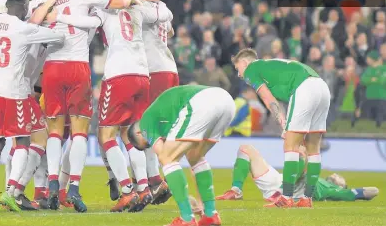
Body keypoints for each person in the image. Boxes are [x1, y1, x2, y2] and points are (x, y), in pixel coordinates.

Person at [50, 0, 172, 212]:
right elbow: (163, 13)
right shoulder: (138, 9)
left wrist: (59, 16)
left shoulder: (102, 10)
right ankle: (145, 186)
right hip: (142, 76)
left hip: (118, 76)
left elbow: (90, 23)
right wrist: (144, 0)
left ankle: (127, 190)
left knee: (106, 135)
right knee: (130, 134)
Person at [28, 0, 136, 212]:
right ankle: (73, 186)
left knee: (54, 131)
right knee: (79, 131)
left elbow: (33, 21)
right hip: (77, 67)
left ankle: (52, 183)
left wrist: (54, 4)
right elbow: (120, 2)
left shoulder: (44, 1)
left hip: (52, 69)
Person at [0, 0, 66, 212]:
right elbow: (60, 37)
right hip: (13, 91)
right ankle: (11, 192)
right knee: (23, 140)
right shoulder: (25, 29)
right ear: (25, 8)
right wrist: (52, 22)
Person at [232, 48, 330, 208]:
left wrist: (282, 120)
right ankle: (307, 199)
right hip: (321, 87)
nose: (239, 74)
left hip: (304, 88)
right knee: (314, 148)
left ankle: (286, 198)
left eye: (238, 69)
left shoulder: (251, 69)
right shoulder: (271, 66)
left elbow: (267, 97)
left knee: (291, 145)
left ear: (244, 62)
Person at [127, 85, 235, 226]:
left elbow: (164, 155)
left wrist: (182, 197)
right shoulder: (164, 116)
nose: (150, 144)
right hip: (225, 101)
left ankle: (186, 219)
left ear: (139, 133)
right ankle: (210, 214)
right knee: (195, 156)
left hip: (201, 102)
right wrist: (199, 199)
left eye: (146, 143)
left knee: (167, 158)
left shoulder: (145, 122)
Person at [120, 0, 177, 206]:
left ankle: (153, 181)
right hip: (168, 68)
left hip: (153, 71)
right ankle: (154, 180)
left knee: (142, 129)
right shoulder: (160, 6)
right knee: (155, 130)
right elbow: (171, 31)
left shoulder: (141, 6)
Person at [216, 144, 380, 202]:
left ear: (340, 185)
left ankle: (282, 191)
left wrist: (359, 192)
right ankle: (236, 190)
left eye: (340, 178)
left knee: (303, 153)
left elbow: (366, 192)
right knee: (246, 149)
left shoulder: (329, 189)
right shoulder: (319, 179)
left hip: (294, 189)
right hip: (279, 182)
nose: (336, 175)